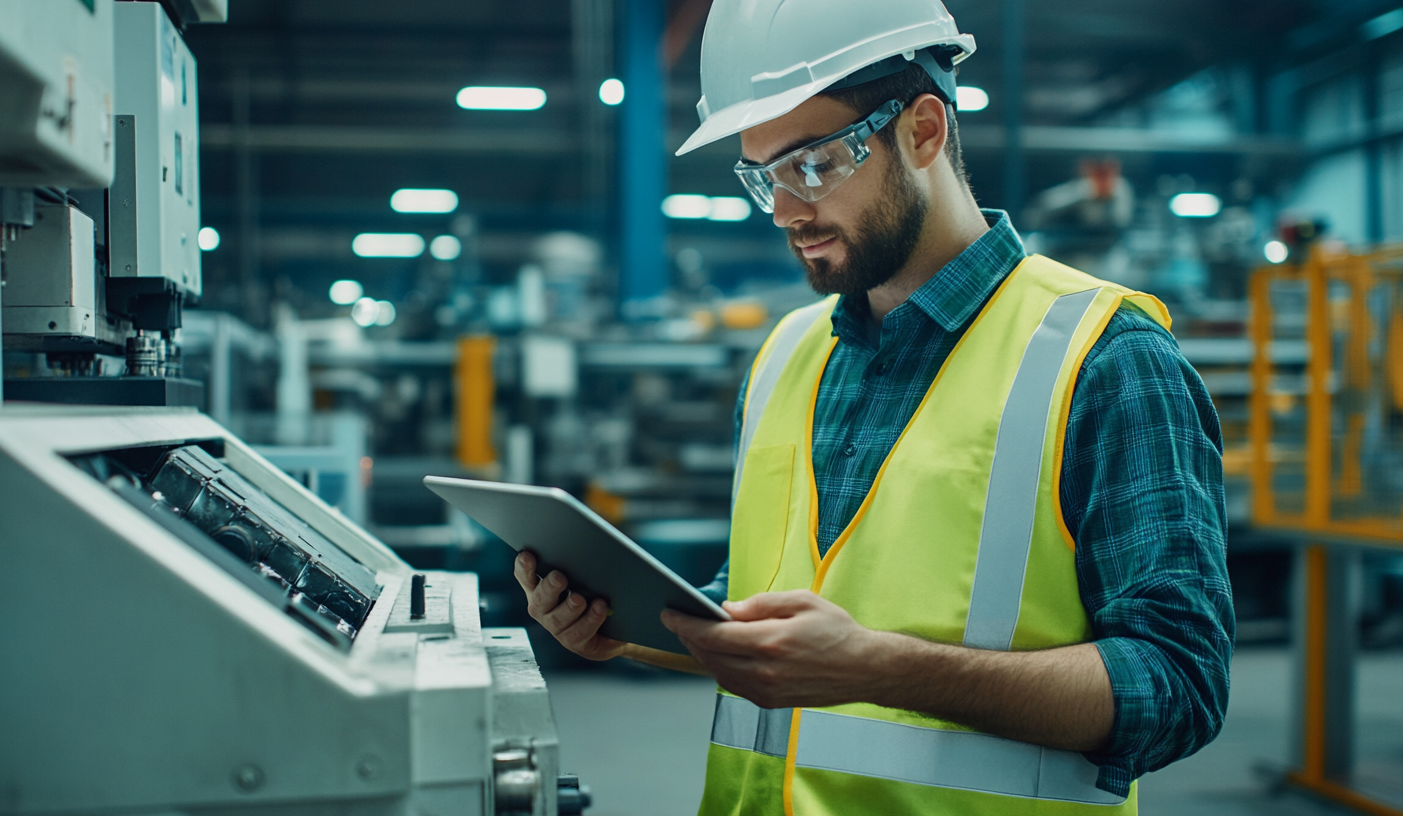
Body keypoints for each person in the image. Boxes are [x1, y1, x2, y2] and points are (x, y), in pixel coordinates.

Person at [515, 0, 1233, 812]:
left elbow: (1179, 686)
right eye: (764, 177)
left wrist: (881, 667)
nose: (787, 210)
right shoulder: (787, 353)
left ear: (924, 130)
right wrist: (627, 627)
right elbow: (766, 611)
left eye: (814, 164)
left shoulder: (1106, 356)